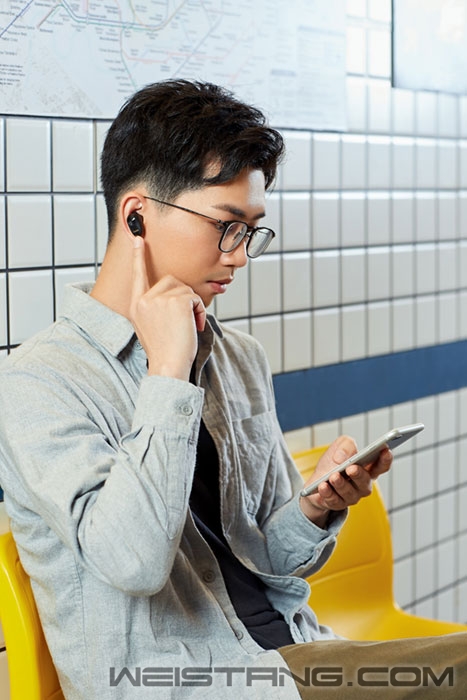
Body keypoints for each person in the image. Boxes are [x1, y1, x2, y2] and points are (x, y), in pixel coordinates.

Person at [0, 79, 465, 700]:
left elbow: (272, 559)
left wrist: (317, 507)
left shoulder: (237, 357)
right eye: (226, 226)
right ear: (136, 216)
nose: (240, 256)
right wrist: (168, 373)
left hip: (294, 654)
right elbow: (132, 562)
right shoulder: (39, 383)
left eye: (251, 231)